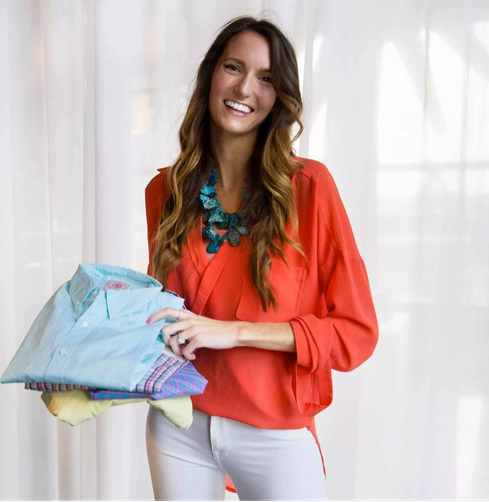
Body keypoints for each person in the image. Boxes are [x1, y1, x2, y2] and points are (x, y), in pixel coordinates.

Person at [143, 15, 379, 502]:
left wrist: (233, 332)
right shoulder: (165, 191)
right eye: (234, 67)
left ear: (279, 97)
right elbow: (165, 313)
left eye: (266, 78)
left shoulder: (309, 189)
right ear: (211, 74)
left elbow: (356, 334)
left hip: (274, 435)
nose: (244, 88)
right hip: (178, 423)